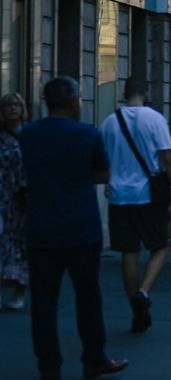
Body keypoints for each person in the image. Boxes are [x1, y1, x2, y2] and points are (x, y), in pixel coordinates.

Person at [20, 77, 128, 379]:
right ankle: (94, 357)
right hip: (81, 228)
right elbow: (103, 174)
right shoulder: (87, 134)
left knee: (43, 303)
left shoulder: (28, 135)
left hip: (41, 228)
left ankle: (49, 368)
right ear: (72, 102)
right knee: (88, 296)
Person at [99, 77, 171, 334]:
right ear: (146, 93)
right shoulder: (155, 119)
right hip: (148, 195)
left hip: (119, 196)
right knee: (160, 247)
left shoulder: (109, 121)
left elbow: (104, 158)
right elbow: (168, 159)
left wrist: (109, 180)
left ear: (124, 94)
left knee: (129, 253)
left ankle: (136, 309)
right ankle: (143, 293)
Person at [1, 92, 29, 310]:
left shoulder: (29, 134)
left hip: (23, 197)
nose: (12, 109)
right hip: (3, 195)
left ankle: (20, 290)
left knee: (21, 243)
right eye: (8, 106)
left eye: (16, 105)